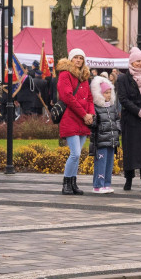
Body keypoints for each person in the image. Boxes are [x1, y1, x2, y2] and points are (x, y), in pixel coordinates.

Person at [117, 47, 141, 192]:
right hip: (130, 119)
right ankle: (128, 179)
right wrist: (137, 110)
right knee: (130, 149)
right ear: (131, 62)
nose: (139, 64)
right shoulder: (122, 78)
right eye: (137, 61)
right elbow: (122, 98)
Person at [56, 49, 95, 196]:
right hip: (71, 118)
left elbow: (90, 98)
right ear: (71, 59)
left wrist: (91, 114)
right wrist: (84, 114)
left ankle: (73, 183)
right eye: (76, 58)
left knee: (77, 155)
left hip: (84, 120)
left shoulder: (84, 78)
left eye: (81, 58)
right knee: (75, 153)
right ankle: (66, 183)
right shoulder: (65, 74)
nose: (78, 60)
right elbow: (68, 98)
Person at [89, 77, 120, 194]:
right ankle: (98, 185)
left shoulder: (112, 106)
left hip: (111, 140)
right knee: (101, 163)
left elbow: (117, 119)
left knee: (109, 163)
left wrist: (118, 129)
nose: (108, 95)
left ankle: (107, 184)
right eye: (105, 93)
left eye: (109, 92)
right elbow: (93, 123)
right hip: (101, 140)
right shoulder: (96, 107)